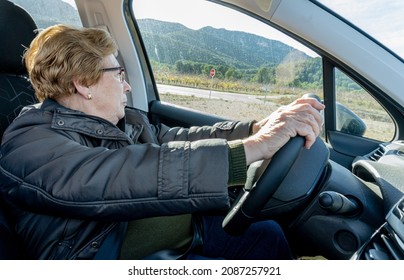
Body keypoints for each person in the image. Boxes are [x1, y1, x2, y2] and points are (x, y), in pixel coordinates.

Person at [0, 24, 324, 260]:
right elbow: (121, 174)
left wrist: (256, 127)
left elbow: (175, 140)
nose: (126, 87)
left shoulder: (122, 122)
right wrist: (251, 150)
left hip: (171, 229)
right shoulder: (29, 141)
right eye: (119, 74)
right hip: (107, 254)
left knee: (265, 233)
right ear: (84, 83)